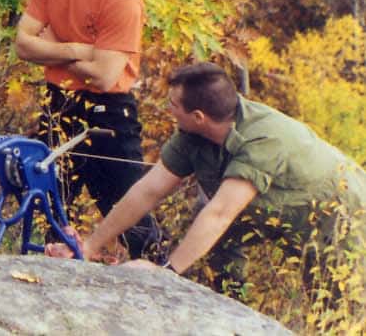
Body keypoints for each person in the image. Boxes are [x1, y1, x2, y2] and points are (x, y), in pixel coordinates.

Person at [49, 63, 366, 300]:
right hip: (273, 215)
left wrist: (167, 273)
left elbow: (220, 213)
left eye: (173, 104)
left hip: (343, 221)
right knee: (219, 255)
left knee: (336, 308)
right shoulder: (192, 133)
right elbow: (147, 191)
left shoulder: (264, 139)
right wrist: (89, 246)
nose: (167, 109)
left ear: (198, 115)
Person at [13, 0, 164, 259]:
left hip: (109, 112)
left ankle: (158, 273)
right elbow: (23, 44)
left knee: (130, 209)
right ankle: (49, 264)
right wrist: (79, 50)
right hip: (61, 101)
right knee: (47, 199)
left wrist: (51, 47)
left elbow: (105, 75)